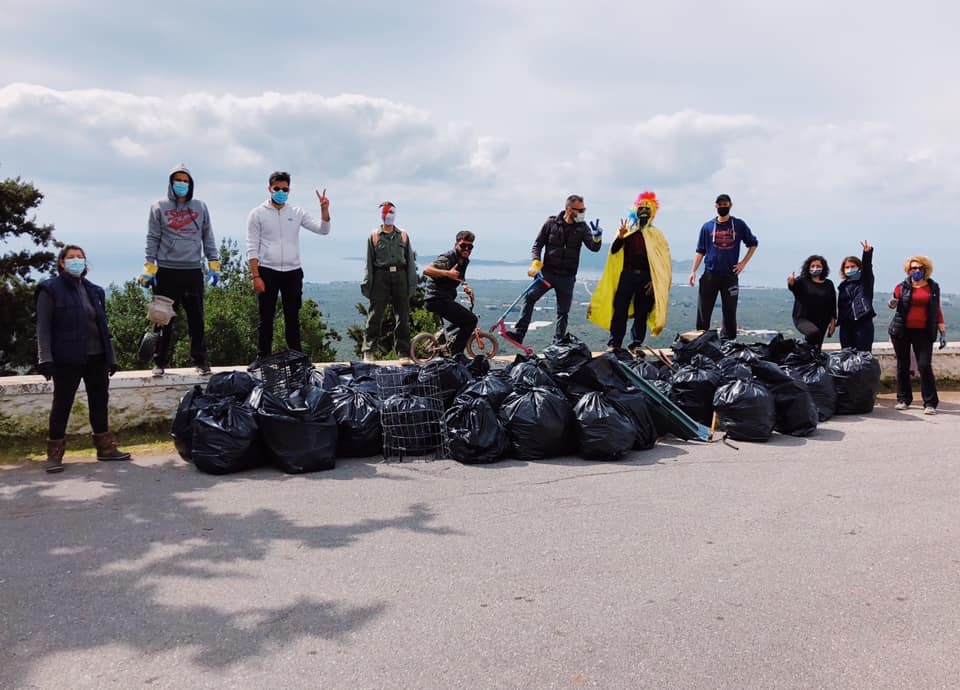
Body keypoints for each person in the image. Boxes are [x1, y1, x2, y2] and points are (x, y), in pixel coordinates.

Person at [36, 245, 131, 474]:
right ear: (61, 262)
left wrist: (111, 357)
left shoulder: (95, 291)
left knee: (99, 402)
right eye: (71, 257)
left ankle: (105, 449)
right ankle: (55, 455)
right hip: (67, 358)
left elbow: (102, 328)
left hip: (97, 356)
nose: (76, 260)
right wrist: (45, 358)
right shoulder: (50, 289)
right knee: (62, 404)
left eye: (80, 257)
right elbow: (43, 327)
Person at [246, 172, 331, 371]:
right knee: (265, 317)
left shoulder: (297, 212)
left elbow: (323, 229)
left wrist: (324, 210)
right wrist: (255, 275)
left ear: (289, 190)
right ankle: (262, 357)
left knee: (292, 317)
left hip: (293, 271)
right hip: (267, 271)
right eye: (277, 189)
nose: (281, 192)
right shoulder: (257, 214)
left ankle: (297, 358)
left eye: (285, 189)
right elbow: (251, 246)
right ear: (270, 189)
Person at [139, 164, 219, 376]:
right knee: (161, 317)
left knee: (196, 318)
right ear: (171, 183)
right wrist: (149, 266)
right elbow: (152, 237)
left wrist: (213, 263)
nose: (182, 184)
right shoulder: (159, 207)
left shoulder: (200, 207)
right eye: (178, 180)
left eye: (186, 180)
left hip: (192, 270)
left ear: (191, 184)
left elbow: (207, 236)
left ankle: (200, 360)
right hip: (166, 269)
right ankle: (159, 361)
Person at [507, 194, 602, 344]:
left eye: (584, 209)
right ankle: (519, 334)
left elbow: (594, 247)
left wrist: (597, 238)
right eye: (580, 210)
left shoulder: (582, 228)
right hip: (547, 273)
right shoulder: (551, 223)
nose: (583, 213)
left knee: (563, 312)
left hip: (567, 277)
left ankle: (557, 343)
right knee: (530, 297)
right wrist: (535, 262)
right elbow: (537, 244)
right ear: (569, 209)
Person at [587, 191, 671, 354]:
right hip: (626, 276)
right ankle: (614, 344)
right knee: (620, 310)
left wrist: (655, 282)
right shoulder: (627, 230)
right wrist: (620, 236)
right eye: (641, 209)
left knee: (642, 313)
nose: (644, 212)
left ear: (652, 212)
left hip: (646, 279)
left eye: (648, 209)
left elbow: (662, 263)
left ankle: (636, 344)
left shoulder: (657, 235)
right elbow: (615, 251)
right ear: (636, 210)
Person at [688, 194, 758, 340]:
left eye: (725, 204)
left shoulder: (739, 225)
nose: (722, 207)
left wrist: (743, 263)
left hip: (730, 276)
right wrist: (693, 271)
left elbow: (753, 243)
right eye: (720, 205)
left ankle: (729, 342)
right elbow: (700, 251)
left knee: (730, 311)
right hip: (710, 274)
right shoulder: (707, 227)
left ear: (730, 205)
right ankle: (701, 341)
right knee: (704, 311)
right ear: (716, 206)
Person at [887, 255, 947, 414]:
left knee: (924, 366)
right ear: (909, 270)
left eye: (920, 268)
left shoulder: (933, 288)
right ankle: (903, 399)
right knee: (903, 364)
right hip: (902, 330)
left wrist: (942, 332)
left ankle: (930, 403)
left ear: (925, 270)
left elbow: (937, 310)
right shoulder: (902, 286)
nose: (917, 270)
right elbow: (892, 302)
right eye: (914, 268)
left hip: (923, 331)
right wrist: (892, 302)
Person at [361, 201, 418, 363]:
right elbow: (369, 262)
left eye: (391, 212)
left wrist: (411, 284)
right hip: (381, 276)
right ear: (380, 215)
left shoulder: (404, 235)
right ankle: (369, 350)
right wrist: (367, 284)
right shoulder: (374, 235)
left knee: (403, 316)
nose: (388, 215)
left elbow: (410, 262)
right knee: (375, 315)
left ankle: (403, 352)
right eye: (385, 212)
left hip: (400, 275)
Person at [421, 230, 478, 357]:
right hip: (436, 298)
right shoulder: (448, 257)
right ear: (456, 244)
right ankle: (457, 355)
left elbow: (458, 276)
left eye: (470, 247)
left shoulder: (464, 259)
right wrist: (448, 273)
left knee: (462, 320)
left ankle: (442, 344)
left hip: (443, 298)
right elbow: (427, 270)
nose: (467, 249)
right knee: (470, 320)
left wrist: (466, 287)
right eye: (463, 246)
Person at [787, 255, 837, 351]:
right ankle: (800, 351)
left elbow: (832, 303)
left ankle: (810, 362)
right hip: (803, 318)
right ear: (808, 267)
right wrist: (791, 283)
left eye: (818, 266)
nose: (815, 268)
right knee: (813, 333)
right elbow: (794, 287)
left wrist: (833, 322)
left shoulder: (828, 284)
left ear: (823, 268)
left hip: (822, 320)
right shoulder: (802, 281)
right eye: (813, 266)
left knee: (817, 347)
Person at [836, 240, 876, 351]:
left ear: (859, 267)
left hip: (863, 324)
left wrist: (867, 253)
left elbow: (867, 267)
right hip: (846, 326)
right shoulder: (842, 286)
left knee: (863, 356)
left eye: (853, 266)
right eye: (847, 267)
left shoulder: (865, 282)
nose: (850, 269)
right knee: (847, 356)